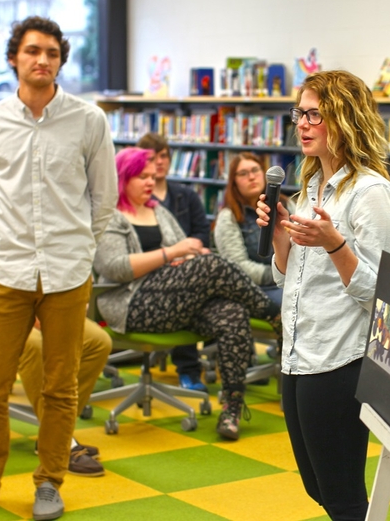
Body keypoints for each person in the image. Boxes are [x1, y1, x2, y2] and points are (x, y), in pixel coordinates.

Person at [0, 16, 118, 521]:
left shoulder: (89, 120)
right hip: (8, 271)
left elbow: (103, 200)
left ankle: (49, 482)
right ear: (14, 58)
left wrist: (79, 250)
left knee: (60, 386)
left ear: (61, 61)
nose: (43, 60)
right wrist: (12, 244)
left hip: (67, 273)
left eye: (52, 54)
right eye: (32, 51)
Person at [256, 70, 390, 520]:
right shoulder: (307, 191)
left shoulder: (371, 193)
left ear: (345, 119)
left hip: (342, 358)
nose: (302, 123)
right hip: (299, 353)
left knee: (342, 497)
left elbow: (384, 295)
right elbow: (288, 278)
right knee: (317, 486)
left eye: (315, 115)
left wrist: (334, 243)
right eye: (299, 113)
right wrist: (281, 236)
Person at [0, 150, 111, 478]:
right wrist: (29, 311)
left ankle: (54, 432)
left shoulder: (23, 212)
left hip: (34, 305)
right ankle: (63, 444)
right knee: (31, 347)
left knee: (97, 341)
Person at [93, 147, 280, 442]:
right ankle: (273, 313)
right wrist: (172, 253)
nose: (150, 183)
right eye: (142, 177)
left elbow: (184, 249)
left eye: (152, 177)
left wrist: (191, 255)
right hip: (133, 304)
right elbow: (115, 268)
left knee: (232, 312)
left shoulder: (158, 211)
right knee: (213, 265)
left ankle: (231, 407)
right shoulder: (111, 217)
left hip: (175, 300)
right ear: (122, 178)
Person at [135, 132, 211, 392]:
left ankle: (200, 364)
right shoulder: (136, 199)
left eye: (164, 156)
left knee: (196, 284)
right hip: (152, 269)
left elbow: (202, 231)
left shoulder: (185, 195)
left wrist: (189, 253)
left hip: (186, 262)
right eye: (152, 158)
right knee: (188, 293)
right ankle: (189, 369)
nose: (159, 162)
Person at [213, 152, 284, 307]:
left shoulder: (284, 206)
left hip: (290, 280)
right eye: (243, 174)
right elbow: (238, 266)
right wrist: (281, 273)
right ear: (234, 182)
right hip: (255, 288)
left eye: (255, 170)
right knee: (295, 304)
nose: (251, 177)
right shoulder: (228, 217)